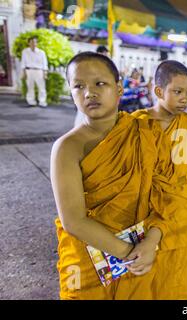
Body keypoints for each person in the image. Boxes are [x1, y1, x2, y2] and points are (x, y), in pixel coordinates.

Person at [51, 52, 163, 299]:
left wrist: (150, 244)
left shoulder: (144, 133)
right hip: (90, 260)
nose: (89, 92)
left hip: (140, 251)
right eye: (79, 86)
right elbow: (74, 221)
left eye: (99, 83)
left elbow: (165, 195)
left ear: (119, 88)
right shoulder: (68, 147)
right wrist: (129, 253)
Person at [132, 60, 187, 299]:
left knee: (179, 269)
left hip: (180, 206)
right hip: (146, 208)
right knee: (149, 273)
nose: (185, 98)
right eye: (177, 92)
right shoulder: (137, 123)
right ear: (159, 91)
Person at [21, 36, 48, 107]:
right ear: (29, 43)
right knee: (30, 87)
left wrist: (45, 73)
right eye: (32, 42)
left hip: (39, 71)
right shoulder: (25, 51)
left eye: (35, 42)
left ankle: (42, 101)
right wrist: (24, 73)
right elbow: (23, 62)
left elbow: (45, 63)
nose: (34, 43)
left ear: (37, 43)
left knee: (42, 87)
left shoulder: (41, 52)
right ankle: (31, 101)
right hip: (29, 71)